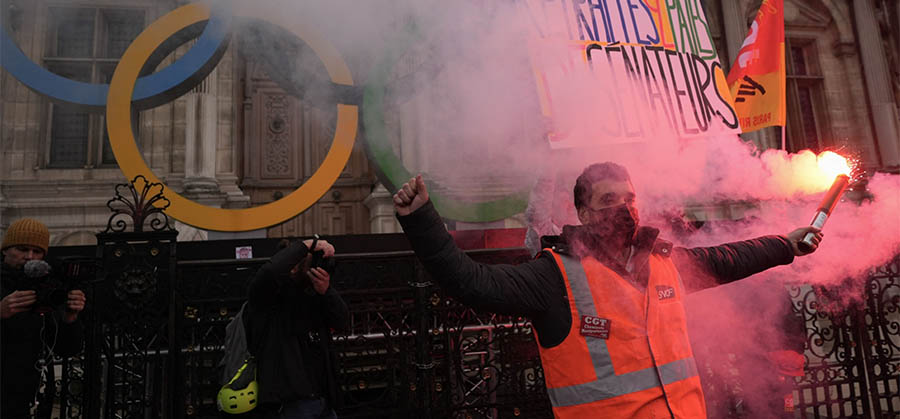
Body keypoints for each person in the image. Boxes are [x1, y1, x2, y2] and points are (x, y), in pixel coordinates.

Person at [392, 163, 823, 418]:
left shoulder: (663, 262)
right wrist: (421, 220)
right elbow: (471, 283)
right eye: (609, 199)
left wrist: (785, 244)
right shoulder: (553, 276)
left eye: (630, 198)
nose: (624, 207)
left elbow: (727, 259)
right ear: (581, 211)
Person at [246, 237, 350, 418]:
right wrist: (309, 244)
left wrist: (327, 292)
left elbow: (343, 322)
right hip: (291, 402)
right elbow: (270, 272)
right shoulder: (267, 298)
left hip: (323, 396)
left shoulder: (313, 294)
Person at [1, 218, 87, 418]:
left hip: (23, 397)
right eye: (22, 249)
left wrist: (70, 318)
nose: (29, 256)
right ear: (5, 250)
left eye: (37, 251)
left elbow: (65, 348)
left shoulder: (45, 287)